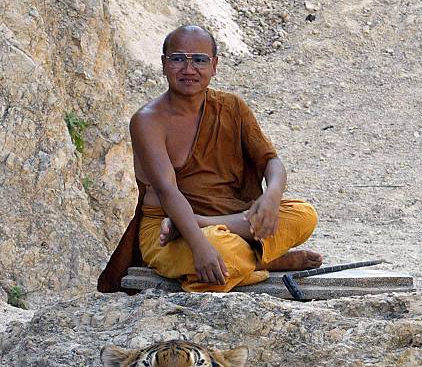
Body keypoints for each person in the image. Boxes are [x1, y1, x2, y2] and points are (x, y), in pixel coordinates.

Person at [97, 25, 322, 294]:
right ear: (164, 64)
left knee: (304, 213)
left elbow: (271, 162)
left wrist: (272, 197)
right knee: (219, 251)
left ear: (214, 66)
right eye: (178, 58)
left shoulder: (232, 107)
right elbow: (168, 190)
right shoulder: (148, 121)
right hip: (165, 232)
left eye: (200, 60)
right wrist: (200, 245)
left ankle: (217, 233)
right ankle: (268, 260)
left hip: (228, 219)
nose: (189, 69)